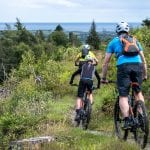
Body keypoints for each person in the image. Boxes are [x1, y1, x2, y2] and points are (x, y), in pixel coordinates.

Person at [101, 22, 147, 129]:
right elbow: (144, 60)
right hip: (138, 66)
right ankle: (142, 117)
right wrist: (145, 74)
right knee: (138, 92)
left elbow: (105, 62)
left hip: (123, 67)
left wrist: (103, 78)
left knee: (123, 95)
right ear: (128, 31)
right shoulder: (135, 40)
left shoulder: (113, 42)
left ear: (117, 31)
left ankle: (127, 120)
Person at [75, 55, 97, 121]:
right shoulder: (93, 67)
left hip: (82, 81)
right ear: (92, 61)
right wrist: (98, 85)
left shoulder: (83, 66)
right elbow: (98, 77)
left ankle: (78, 112)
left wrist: (71, 81)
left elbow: (74, 74)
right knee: (90, 93)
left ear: (86, 61)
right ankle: (90, 104)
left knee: (79, 97)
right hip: (90, 82)